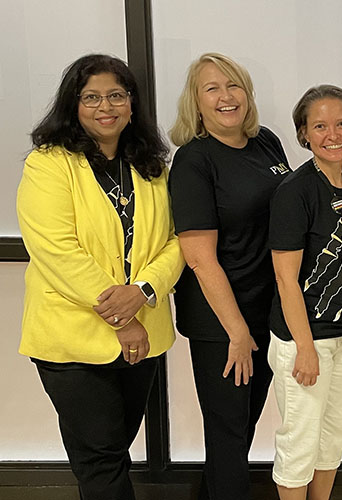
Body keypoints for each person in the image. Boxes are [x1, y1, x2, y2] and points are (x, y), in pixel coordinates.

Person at [16, 54, 183, 500]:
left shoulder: (151, 166)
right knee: (103, 457)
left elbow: (175, 241)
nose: (104, 106)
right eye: (90, 97)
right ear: (73, 104)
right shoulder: (49, 164)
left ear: (131, 104)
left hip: (143, 331)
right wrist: (121, 315)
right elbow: (56, 250)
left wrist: (144, 291)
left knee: (110, 451)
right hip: (71, 336)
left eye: (115, 95)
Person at [168, 53, 290, 499]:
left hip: (267, 311)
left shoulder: (267, 143)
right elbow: (198, 257)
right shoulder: (194, 161)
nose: (225, 96)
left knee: (239, 432)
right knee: (227, 435)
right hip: (222, 321)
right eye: (212, 89)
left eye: (233, 85)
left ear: (247, 93)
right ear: (196, 104)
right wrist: (236, 330)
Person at [268, 84, 342, 500]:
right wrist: (304, 346)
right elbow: (285, 278)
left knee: (332, 439)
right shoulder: (296, 191)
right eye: (320, 126)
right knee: (299, 442)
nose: (333, 134)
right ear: (304, 134)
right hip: (304, 339)